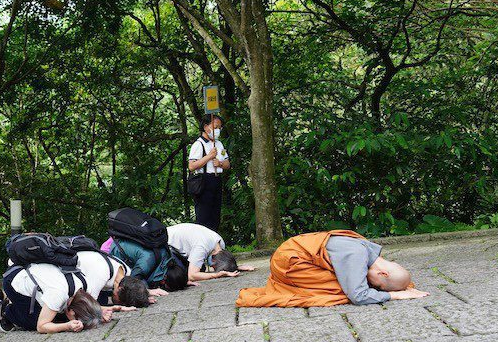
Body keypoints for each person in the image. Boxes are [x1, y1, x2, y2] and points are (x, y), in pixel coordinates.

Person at [237, 230, 428, 308]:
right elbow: (358, 296)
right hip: (289, 262)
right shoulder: (357, 256)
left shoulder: (370, 250)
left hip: (294, 251)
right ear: (383, 272)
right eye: (380, 284)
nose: (376, 286)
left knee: (353, 284)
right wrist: (393, 295)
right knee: (341, 292)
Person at [0, 260, 108, 334]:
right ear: (73, 312)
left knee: (56, 317)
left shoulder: (85, 286)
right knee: (34, 322)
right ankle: (7, 311)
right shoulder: (59, 294)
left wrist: (97, 314)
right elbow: (41, 327)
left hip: (31, 272)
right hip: (14, 280)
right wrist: (67, 326)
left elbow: (89, 306)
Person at [167, 222, 256, 283]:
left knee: (201, 269)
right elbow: (192, 276)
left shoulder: (220, 245)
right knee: (181, 276)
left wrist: (236, 267)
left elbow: (224, 261)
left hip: (180, 247)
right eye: (213, 266)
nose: (210, 266)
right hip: (165, 244)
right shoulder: (201, 247)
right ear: (213, 258)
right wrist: (216, 275)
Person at [187, 113, 229, 231]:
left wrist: (220, 163)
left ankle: (215, 246)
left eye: (220, 128)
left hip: (216, 180)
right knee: (204, 216)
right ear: (206, 127)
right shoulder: (198, 144)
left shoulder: (219, 144)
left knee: (215, 214)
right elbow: (192, 166)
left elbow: (227, 164)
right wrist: (209, 157)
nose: (218, 130)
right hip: (204, 181)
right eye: (215, 127)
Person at [76, 249, 152, 309]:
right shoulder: (101, 275)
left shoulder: (126, 272)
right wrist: (115, 308)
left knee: (103, 301)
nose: (121, 304)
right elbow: (88, 306)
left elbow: (133, 289)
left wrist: (142, 296)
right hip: (69, 277)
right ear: (119, 289)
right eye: (122, 303)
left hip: (88, 276)